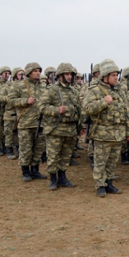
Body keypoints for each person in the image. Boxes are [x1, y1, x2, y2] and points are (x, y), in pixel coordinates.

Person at [83, 60, 129, 197]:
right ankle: (100, 185)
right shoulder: (95, 90)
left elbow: (126, 111)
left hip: (118, 134)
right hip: (102, 134)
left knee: (112, 161)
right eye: (113, 75)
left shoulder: (120, 90)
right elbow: (87, 109)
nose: (116, 78)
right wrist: (104, 102)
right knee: (100, 162)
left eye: (117, 75)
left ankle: (109, 182)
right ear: (105, 76)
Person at [39, 62, 81, 190]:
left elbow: (79, 108)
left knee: (66, 155)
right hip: (55, 129)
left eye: (71, 74)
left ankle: (62, 177)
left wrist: (80, 124)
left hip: (70, 129)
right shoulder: (51, 90)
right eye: (67, 74)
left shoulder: (73, 91)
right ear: (60, 76)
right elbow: (42, 107)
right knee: (53, 156)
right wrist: (57, 110)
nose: (69, 77)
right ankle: (53, 179)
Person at [7, 62, 47, 182]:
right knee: (25, 149)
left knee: (38, 148)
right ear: (29, 72)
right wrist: (25, 101)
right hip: (25, 123)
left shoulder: (44, 86)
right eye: (35, 71)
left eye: (39, 71)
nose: (38, 73)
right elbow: (10, 100)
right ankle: (25, 171)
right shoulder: (18, 86)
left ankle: (35, 170)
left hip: (40, 123)